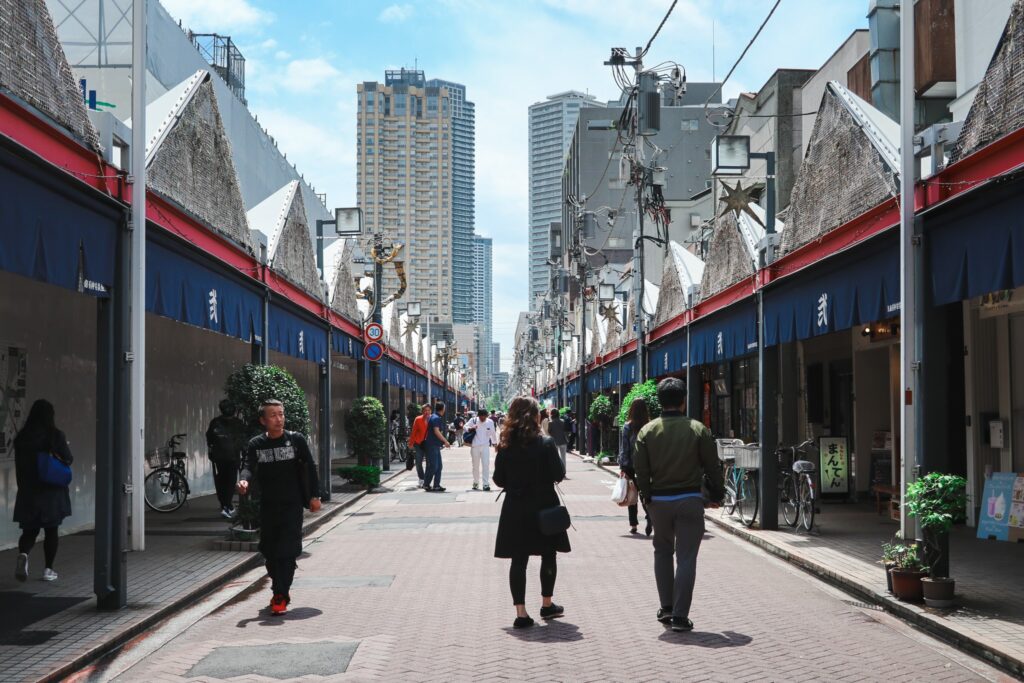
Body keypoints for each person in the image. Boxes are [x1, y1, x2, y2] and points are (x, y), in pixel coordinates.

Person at [634, 378, 724, 633]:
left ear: (659, 401)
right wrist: (717, 494)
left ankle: (666, 607)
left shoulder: (646, 431)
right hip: (689, 499)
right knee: (686, 558)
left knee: (662, 551)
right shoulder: (697, 429)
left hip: (659, 501)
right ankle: (680, 617)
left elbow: (641, 470)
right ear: (683, 400)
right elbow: (712, 466)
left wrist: (646, 497)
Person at [237, 399, 321, 615]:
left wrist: (315, 495)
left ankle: (280, 594)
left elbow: (310, 467)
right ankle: (278, 586)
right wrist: (244, 480)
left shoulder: (295, 440)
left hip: (292, 505)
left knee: (288, 551)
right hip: (267, 505)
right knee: (270, 550)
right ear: (263, 420)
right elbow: (248, 466)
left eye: (281, 414)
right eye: (273, 415)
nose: (279, 419)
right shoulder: (256, 444)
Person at [493, 396, 570, 629]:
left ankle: (521, 613)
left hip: (515, 507)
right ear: (535, 416)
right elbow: (558, 474)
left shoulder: (505, 445)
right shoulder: (545, 443)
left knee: (519, 559)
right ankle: (547, 604)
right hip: (544, 506)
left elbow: (498, 479)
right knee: (548, 553)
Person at [13, 399, 72, 582]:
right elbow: (68, 458)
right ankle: (48, 570)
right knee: (51, 531)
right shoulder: (55, 436)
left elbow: (19, 466)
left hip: (28, 492)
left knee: (29, 531)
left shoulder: (22, 437)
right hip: (50, 491)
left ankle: (24, 554)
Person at [206, 399, 248, 519]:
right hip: (233, 457)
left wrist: (211, 452)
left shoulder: (215, 422)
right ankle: (227, 505)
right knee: (230, 481)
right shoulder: (238, 423)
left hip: (219, 457)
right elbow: (243, 440)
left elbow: (209, 438)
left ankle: (225, 504)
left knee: (221, 480)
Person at [618, 397, 650, 535]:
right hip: (646, 466)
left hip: (630, 465)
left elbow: (624, 448)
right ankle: (650, 517)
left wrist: (622, 466)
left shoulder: (627, 426)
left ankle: (633, 525)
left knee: (631, 494)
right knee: (645, 493)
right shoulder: (649, 426)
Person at [465, 408, 497, 491]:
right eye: (481, 416)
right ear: (478, 416)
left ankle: (485, 484)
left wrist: (495, 444)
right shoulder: (473, 420)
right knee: (475, 466)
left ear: (486, 416)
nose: (482, 418)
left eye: (484, 417)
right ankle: (476, 483)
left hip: (485, 446)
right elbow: (465, 426)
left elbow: (493, 433)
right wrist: (470, 428)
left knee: (486, 465)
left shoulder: (490, 422)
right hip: (475, 446)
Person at [422, 402, 451, 492]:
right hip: (432, 445)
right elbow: (436, 431)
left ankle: (436, 485)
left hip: (435, 445)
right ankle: (426, 484)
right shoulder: (436, 418)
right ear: (443, 409)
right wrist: (445, 441)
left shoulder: (435, 417)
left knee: (439, 466)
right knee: (434, 466)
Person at [407, 404, 431, 486]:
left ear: (430, 411)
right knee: (418, 462)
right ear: (422, 411)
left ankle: (427, 480)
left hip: (429, 444)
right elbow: (413, 432)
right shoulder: (418, 419)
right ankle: (421, 478)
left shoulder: (432, 419)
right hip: (418, 443)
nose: (427, 412)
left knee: (429, 463)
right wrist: (411, 443)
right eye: (425, 410)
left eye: (428, 410)